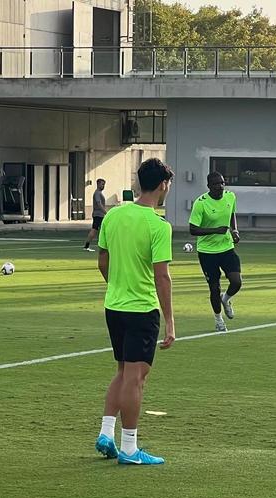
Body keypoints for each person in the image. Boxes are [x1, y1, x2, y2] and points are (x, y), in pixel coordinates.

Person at [95, 158, 176, 466]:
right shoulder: (157, 225)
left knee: (122, 371)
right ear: (163, 185)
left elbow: (103, 260)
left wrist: (115, 284)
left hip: (113, 306)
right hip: (141, 309)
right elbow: (161, 276)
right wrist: (170, 322)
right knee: (136, 377)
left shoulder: (114, 216)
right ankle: (129, 447)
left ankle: (106, 432)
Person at [189, 172, 242, 332]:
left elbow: (231, 214)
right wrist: (215, 230)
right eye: (216, 184)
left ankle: (225, 300)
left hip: (226, 248)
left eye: (222, 183)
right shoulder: (201, 203)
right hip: (207, 252)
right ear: (209, 186)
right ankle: (218, 320)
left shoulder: (230, 197)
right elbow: (192, 229)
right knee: (214, 288)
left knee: (237, 281)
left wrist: (235, 231)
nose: (220, 186)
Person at [83, 178, 108, 252]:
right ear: (98, 184)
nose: (103, 186)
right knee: (95, 230)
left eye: (104, 184)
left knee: (97, 230)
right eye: (102, 184)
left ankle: (87, 246)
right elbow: (98, 203)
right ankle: (87, 246)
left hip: (99, 215)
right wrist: (105, 212)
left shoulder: (99, 193)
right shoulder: (97, 193)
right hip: (98, 215)